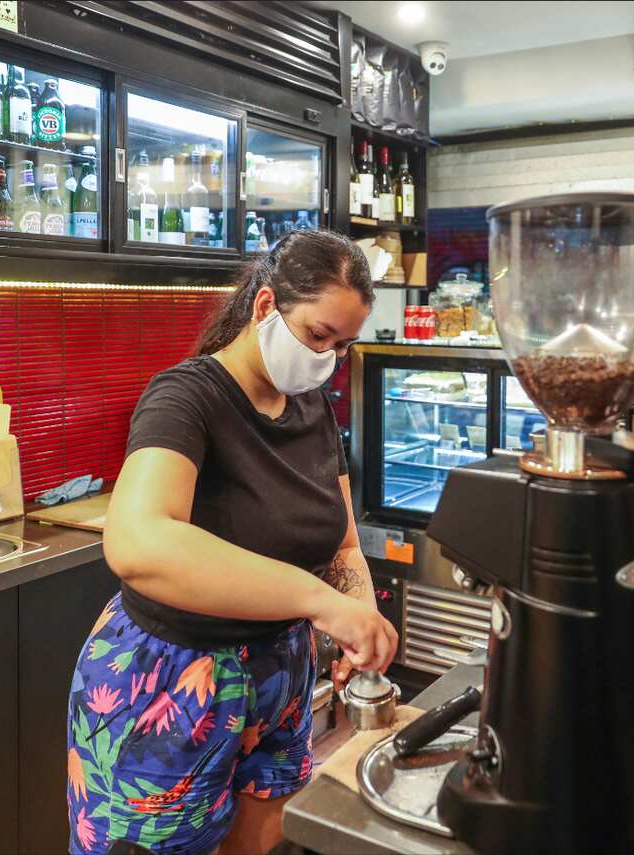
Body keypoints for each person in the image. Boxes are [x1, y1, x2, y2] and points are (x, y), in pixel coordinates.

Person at [67, 230, 398, 855]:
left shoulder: (311, 407)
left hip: (279, 673)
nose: (328, 358)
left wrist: (358, 615)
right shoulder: (185, 396)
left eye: (343, 345)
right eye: (318, 336)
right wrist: (318, 601)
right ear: (267, 306)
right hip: (169, 681)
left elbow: (343, 545)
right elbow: (138, 543)